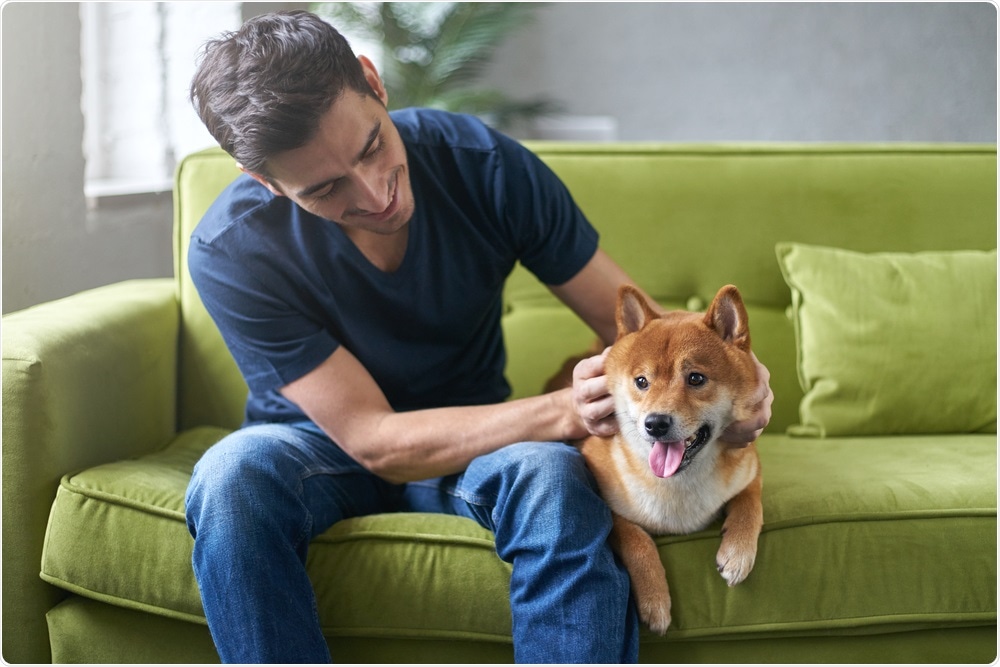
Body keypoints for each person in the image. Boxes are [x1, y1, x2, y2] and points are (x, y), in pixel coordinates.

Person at [184, 9, 773, 664]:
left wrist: (739, 379)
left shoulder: (484, 166)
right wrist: (567, 409)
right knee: (229, 477)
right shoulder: (231, 248)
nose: (374, 194)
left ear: (374, 83)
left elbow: (654, 336)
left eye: (372, 147)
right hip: (316, 447)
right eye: (323, 188)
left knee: (554, 475)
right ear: (265, 182)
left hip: (480, 437)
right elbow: (376, 440)